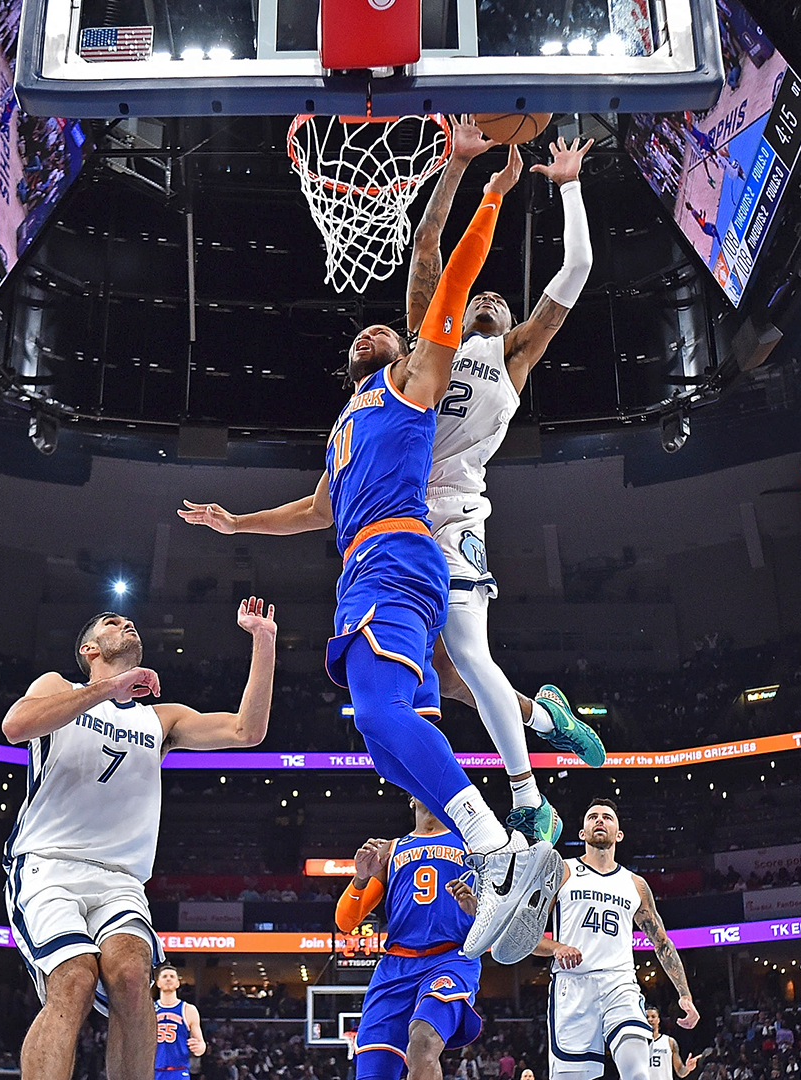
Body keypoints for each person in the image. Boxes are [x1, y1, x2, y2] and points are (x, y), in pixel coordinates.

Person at [179, 129, 560, 965]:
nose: (366, 337)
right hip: (366, 564)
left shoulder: (414, 382)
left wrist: (481, 185)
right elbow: (317, 510)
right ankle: (494, 845)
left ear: (410, 347)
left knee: (386, 713)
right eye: (359, 337)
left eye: (382, 332)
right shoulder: (346, 423)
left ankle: (498, 851)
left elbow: (446, 269)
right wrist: (237, 524)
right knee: (382, 739)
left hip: (399, 556)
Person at [404, 126, 606, 845]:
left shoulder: (514, 355)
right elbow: (428, 246)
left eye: (497, 296)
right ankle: (548, 719)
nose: (487, 294)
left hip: (454, 513)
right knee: (447, 679)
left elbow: (577, 268)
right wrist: (458, 169)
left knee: (470, 659)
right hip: (398, 518)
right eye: (480, 292)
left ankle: (529, 799)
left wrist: (569, 186)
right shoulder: (433, 334)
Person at [0, 598, 278, 1080]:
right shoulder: (57, 686)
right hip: (48, 865)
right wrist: (109, 687)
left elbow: (246, 730)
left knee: (132, 977)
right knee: (74, 980)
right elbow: (15, 726)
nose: (126, 623)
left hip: (121, 879)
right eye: (112, 622)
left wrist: (264, 640)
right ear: (89, 648)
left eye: (128, 621)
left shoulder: (160, 718)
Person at [535, 800, 698, 1080]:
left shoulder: (634, 884)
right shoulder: (562, 871)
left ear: (618, 834)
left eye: (607, 817)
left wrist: (684, 994)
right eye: (593, 817)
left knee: (638, 1074)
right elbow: (527, 936)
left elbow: (661, 942)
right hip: (572, 987)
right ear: (583, 832)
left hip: (619, 985)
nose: (600, 820)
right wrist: (558, 947)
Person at [335, 797, 484, 1080]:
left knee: (422, 1042)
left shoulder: (475, 844)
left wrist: (480, 908)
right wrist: (361, 879)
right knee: (372, 1073)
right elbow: (345, 921)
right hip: (396, 966)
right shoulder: (389, 850)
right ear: (409, 796)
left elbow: (501, 911)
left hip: (450, 958)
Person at [152, 965, 205, 1080]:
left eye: (172, 976)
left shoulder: (188, 1009)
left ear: (178, 983)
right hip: (153, 1071)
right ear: (158, 983)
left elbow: (201, 1045)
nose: (168, 979)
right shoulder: (148, 1010)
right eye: (164, 976)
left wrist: (199, 1047)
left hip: (178, 1070)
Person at [647, 1008, 702, 1078]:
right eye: (647, 1017)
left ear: (658, 1020)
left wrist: (688, 1068)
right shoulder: (637, 1043)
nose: (650, 1020)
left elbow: (680, 1071)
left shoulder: (669, 1042)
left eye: (653, 1016)